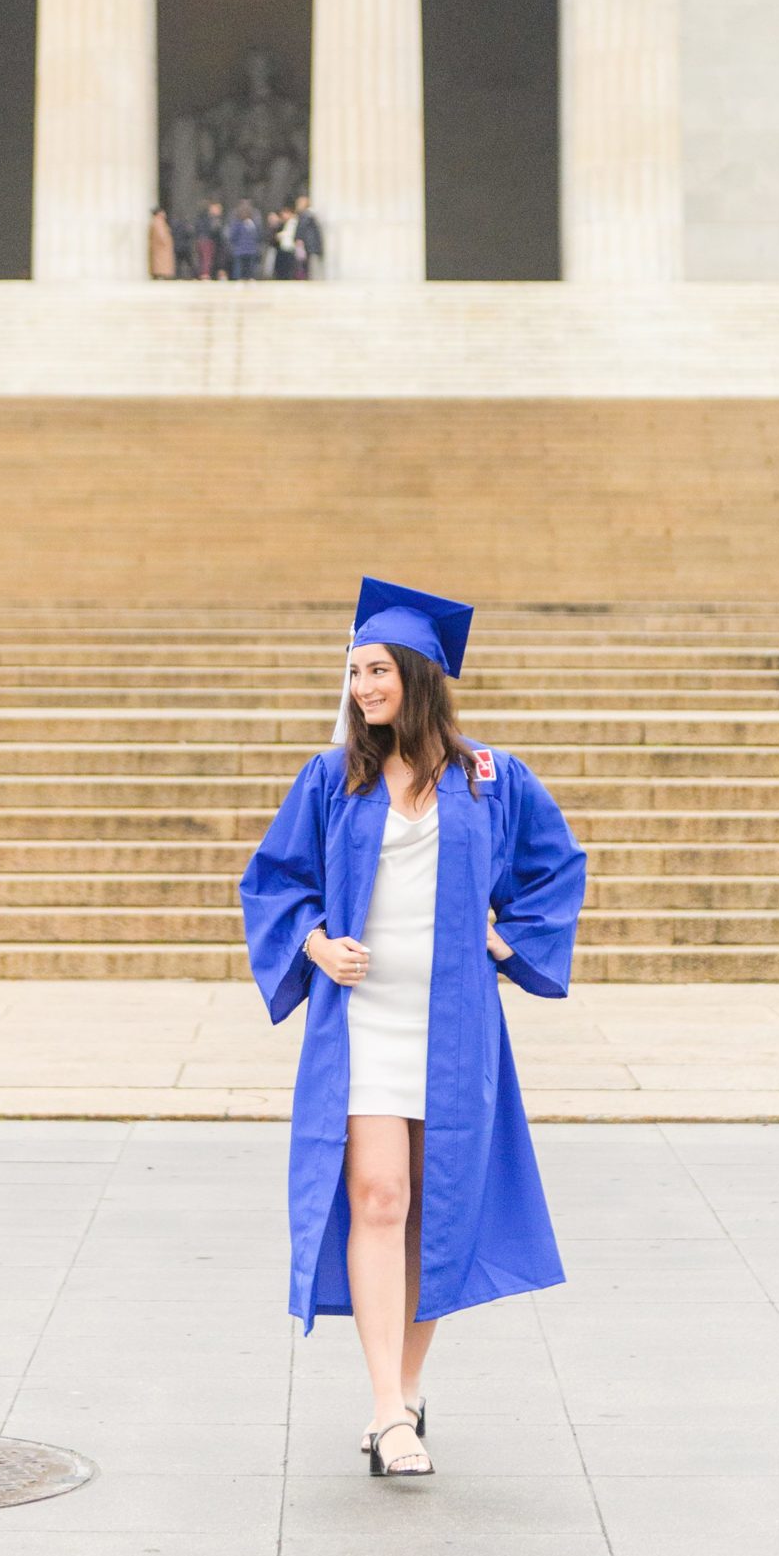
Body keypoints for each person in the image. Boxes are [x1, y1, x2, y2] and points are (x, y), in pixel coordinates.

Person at [239, 577, 586, 1481]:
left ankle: (405, 1384)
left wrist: (505, 943)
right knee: (378, 1198)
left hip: (453, 1026)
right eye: (354, 671)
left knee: (433, 1208)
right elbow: (272, 881)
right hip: (365, 1023)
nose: (362, 688)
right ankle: (388, 1413)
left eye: (378, 670)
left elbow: (558, 867)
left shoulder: (489, 778)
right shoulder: (332, 777)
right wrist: (314, 944)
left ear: (421, 676)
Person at [226, 200, 261, 282]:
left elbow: (257, 235)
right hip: (240, 249)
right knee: (239, 267)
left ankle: (250, 277)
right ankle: (239, 278)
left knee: (250, 266)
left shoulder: (253, 223)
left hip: (251, 249)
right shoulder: (237, 223)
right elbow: (233, 236)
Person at [293, 194, 323, 280]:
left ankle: (303, 277)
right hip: (308, 242)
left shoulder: (306, 215)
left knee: (304, 263)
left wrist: (298, 238)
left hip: (306, 243)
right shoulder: (308, 215)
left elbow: (301, 229)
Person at [271, 208, 301, 280]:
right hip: (284, 247)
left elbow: (289, 234)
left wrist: (280, 235)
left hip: (289, 248)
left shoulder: (293, 222)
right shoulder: (285, 223)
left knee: (288, 267)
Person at [148, 206, 175, 280]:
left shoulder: (156, 221)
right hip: (161, 248)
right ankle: (161, 274)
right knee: (161, 264)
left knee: (160, 263)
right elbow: (161, 235)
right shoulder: (158, 222)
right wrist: (166, 242)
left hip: (159, 248)